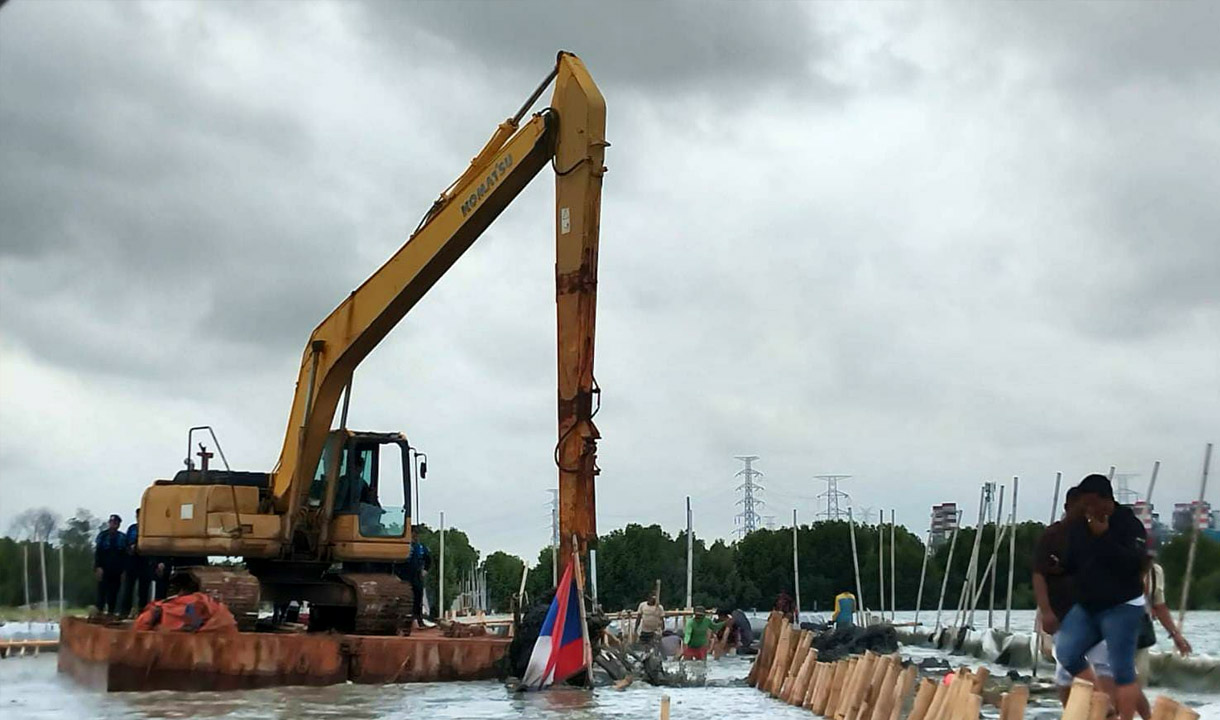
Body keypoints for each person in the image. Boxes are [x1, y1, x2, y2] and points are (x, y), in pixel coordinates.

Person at [1056, 475, 1148, 720]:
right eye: (1084, 504)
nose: (1089, 509)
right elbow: (1073, 560)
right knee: (1066, 651)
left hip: (1122, 604)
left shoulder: (1128, 524)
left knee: (1122, 669)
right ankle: (1102, 701)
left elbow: (1135, 563)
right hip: (1088, 605)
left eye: (1092, 503)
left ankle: (1126, 717)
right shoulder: (1080, 526)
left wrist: (1104, 536)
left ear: (1106, 501)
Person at [1033, 487, 1114, 704]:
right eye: (1081, 508)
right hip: (1063, 614)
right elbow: (1039, 575)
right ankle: (1076, 711)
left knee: (1103, 663)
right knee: (1065, 670)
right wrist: (1046, 611)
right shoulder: (1053, 536)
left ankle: (1107, 709)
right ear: (1068, 508)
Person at [1133, 554, 1192, 719]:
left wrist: (1176, 635)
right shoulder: (1116, 565)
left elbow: (1159, 605)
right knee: (1118, 679)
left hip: (1139, 633)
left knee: (1138, 679)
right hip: (1111, 629)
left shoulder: (1154, 572)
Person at [118, 510, 152, 617]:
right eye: (138, 516)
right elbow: (125, 545)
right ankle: (124, 612)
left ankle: (143, 613)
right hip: (132, 561)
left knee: (144, 590)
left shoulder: (150, 529)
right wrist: (130, 548)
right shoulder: (132, 528)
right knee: (128, 588)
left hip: (145, 561)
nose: (139, 518)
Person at [94, 514, 128, 615]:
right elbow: (98, 553)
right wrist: (97, 567)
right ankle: (99, 612)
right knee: (101, 592)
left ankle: (111, 613)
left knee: (113, 593)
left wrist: (124, 571)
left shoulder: (122, 538)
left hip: (117, 570)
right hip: (104, 568)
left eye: (116, 523)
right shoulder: (103, 536)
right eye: (112, 522)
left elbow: (125, 556)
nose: (113, 525)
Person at [402, 526, 431, 627]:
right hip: (404, 574)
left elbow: (428, 559)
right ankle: (405, 619)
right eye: (414, 534)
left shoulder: (421, 547)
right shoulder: (403, 546)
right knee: (404, 596)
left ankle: (418, 618)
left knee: (418, 597)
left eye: (417, 534)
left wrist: (425, 570)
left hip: (417, 574)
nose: (415, 536)